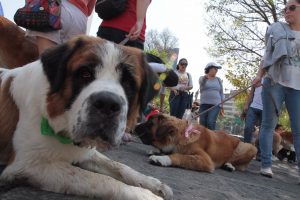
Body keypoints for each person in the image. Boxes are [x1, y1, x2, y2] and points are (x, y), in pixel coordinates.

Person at [253, 0, 300, 179]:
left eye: (292, 8)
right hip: (274, 82)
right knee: (268, 124)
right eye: (285, 8)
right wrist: (259, 75)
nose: (287, 11)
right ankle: (266, 164)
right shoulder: (277, 29)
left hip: (297, 87)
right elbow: (267, 54)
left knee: (298, 129)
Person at [26, 0, 96, 55]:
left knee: (46, 64)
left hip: (53, 7)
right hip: (80, 17)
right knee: (65, 66)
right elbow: (90, 8)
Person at [198, 62, 224, 130]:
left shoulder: (218, 79)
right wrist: (205, 78)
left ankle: (211, 139)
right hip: (204, 104)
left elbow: (221, 92)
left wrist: (222, 106)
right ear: (209, 69)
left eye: (217, 69)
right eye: (215, 68)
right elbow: (201, 85)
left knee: (210, 122)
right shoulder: (202, 78)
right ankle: (203, 139)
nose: (216, 70)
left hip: (216, 105)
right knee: (202, 122)